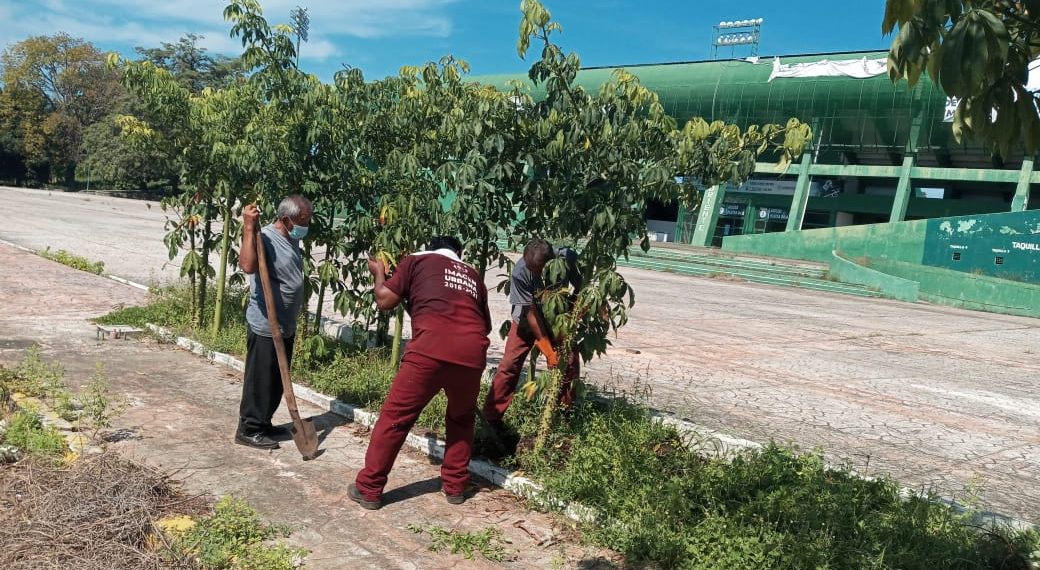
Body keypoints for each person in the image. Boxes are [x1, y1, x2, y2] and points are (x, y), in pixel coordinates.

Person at [349, 236, 492, 510]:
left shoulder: (416, 260)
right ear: (458, 254)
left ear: (430, 248)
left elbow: (384, 300)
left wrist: (379, 272)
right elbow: (484, 325)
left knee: (396, 418)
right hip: (472, 354)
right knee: (461, 420)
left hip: (429, 350)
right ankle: (454, 486)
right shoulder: (473, 274)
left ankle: (369, 488)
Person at [235, 195, 312, 450]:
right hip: (266, 324)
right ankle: (249, 428)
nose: (306, 225)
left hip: (284, 324)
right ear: (286, 220)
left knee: (276, 381)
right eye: (303, 221)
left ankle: (264, 422)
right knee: (260, 380)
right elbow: (247, 265)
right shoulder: (264, 236)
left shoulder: (291, 237)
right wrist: (248, 227)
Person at [482, 238, 582, 432]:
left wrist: (572, 314)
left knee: (568, 365)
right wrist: (548, 350)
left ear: (548, 264)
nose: (531, 272)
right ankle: (491, 419)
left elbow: (580, 285)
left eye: (536, 269)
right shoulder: (521, 271)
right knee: (509, 366)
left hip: (558, 320)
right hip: (527, 322)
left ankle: (565, 416)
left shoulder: (567, 259)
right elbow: (530, 313)